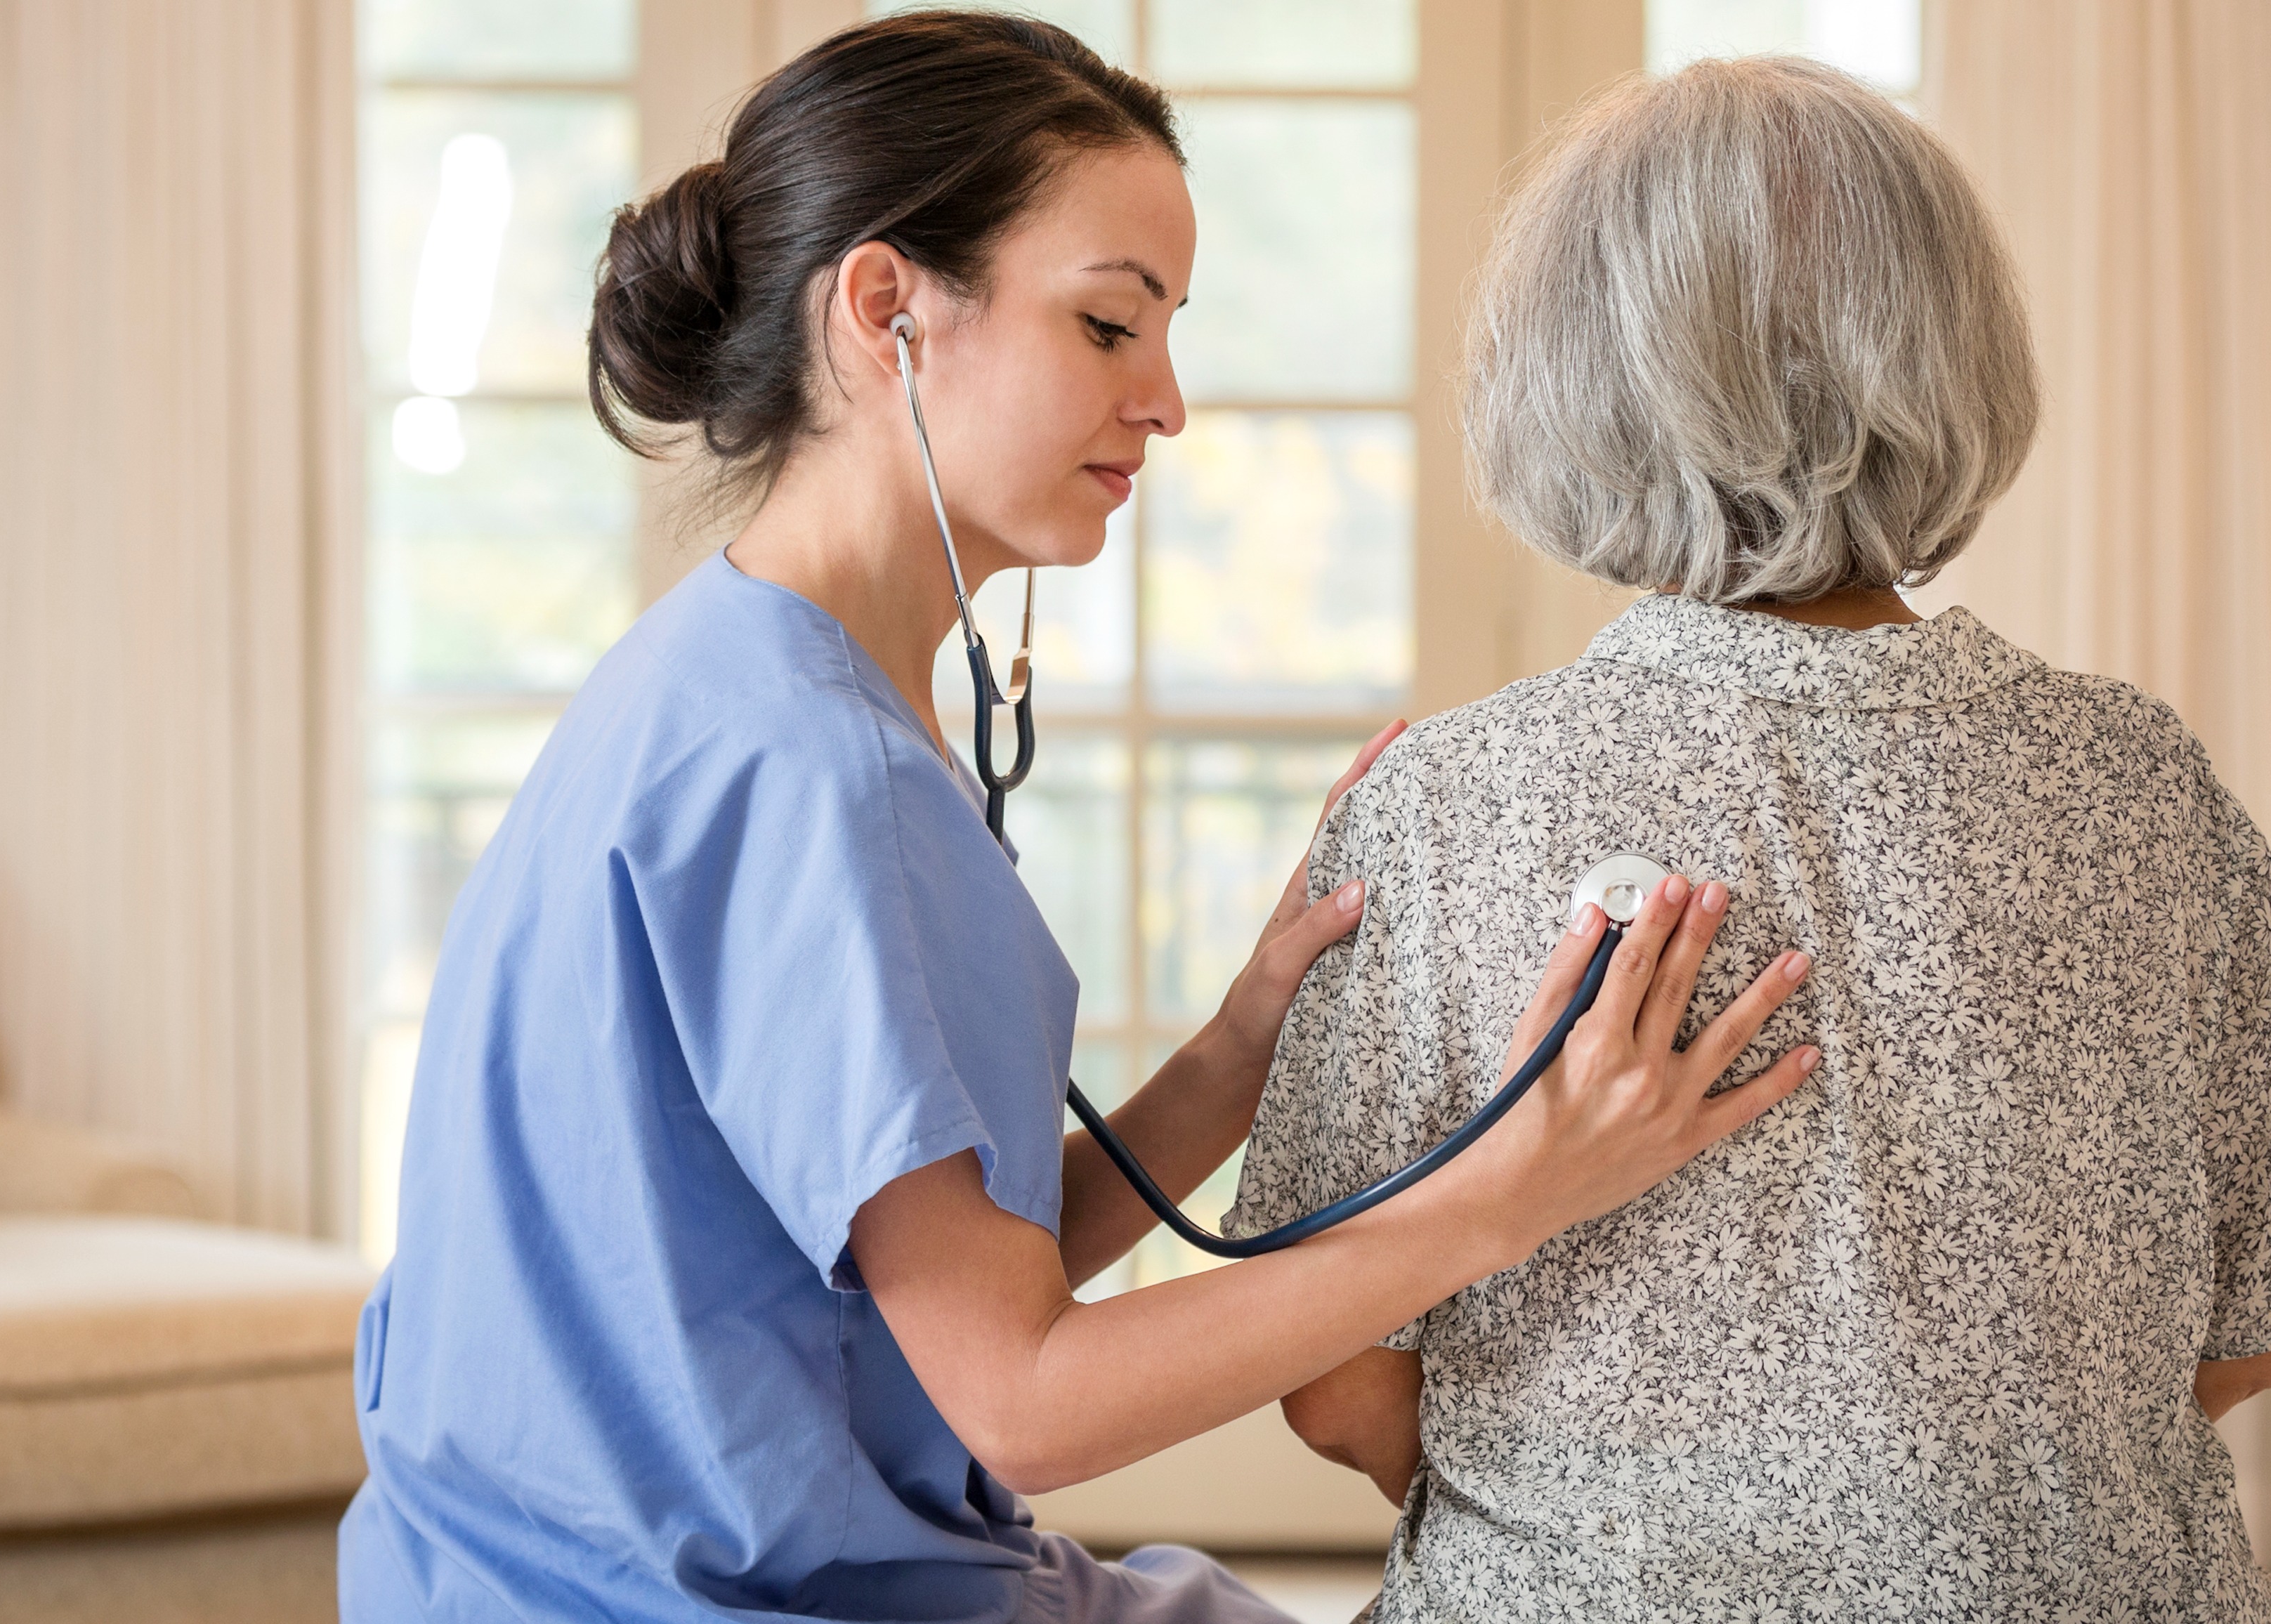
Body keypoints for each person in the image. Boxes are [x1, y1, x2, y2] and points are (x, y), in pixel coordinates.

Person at [338, 15, 1818, 1623]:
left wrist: (1243, 1040)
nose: (1168, 402)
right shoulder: (814, 772)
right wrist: (1517, 1190)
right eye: (1111, 325)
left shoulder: (725, 675)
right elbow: (1023, 1393)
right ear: (887, 313)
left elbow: (927, 1271)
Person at [1233, 57, 2271, 1622]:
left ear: (1568, 377)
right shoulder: (2150, 784)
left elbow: (1336, 1386)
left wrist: (1626, 1524)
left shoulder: (1435, 806)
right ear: (1957, 358)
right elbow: (2262, 1331)